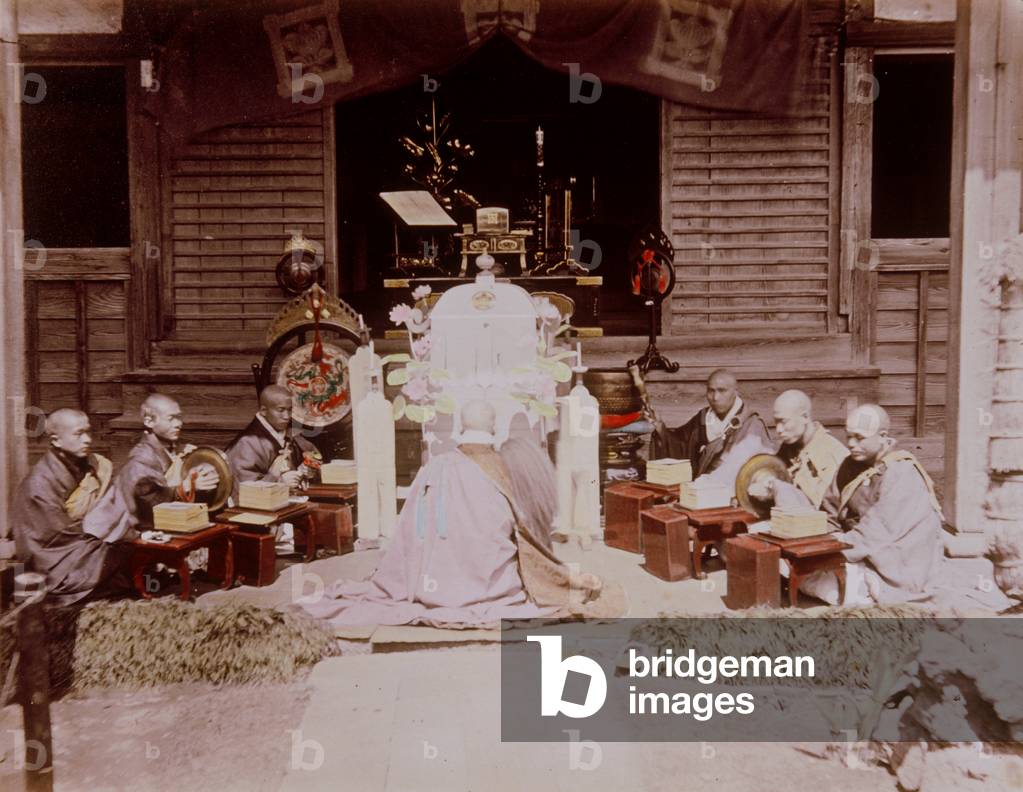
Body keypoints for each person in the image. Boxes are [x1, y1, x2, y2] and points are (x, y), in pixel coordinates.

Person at [295, 400, 624, 628]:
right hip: (492, 585)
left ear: (459, 427)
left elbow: (410, 531)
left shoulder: (433, 467)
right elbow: (523, 532)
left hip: (429, 583)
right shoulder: (502, 467)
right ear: (493, 428)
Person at [10, 409, 130, 605]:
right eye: (78, 434)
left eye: (88, 432)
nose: (87, 440)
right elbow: (54, 537)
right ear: (56, 440)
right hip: (52, 558)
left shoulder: (93, 466)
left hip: (83, 540)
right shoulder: (39, 484)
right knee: (120, 555)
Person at [83, 394, 219, 540]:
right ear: (149, 421)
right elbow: (148, 503)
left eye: (179, 417)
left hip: (165, 523)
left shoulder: (179, 450)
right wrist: (185, 487)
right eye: (171, 418)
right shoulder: (140, 460)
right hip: (124, 530)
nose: (179, 423)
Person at [650, 369, 772, 483]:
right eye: (711, 391)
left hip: (733, 492)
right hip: (700, 489)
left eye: (722, 390)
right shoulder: (703, 418)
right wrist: (660, 428)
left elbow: (760, 467)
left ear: (735, 392)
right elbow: (680, 444)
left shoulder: (751, 423)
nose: (715, 397)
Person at [750, 389, 848, 510]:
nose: (779, 429)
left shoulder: (832, 454)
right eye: (776, 422)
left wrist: (776, 486)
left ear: (805, 417)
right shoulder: (790, 446)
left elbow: (821, 508)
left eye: (784, 421)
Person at [225, 385, 321, 497]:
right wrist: (279, 482)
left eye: (290, 410)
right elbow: (243, 492)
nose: (287, 416)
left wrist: (306, 473)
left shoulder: (291, 435)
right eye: (281, 410)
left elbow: (313, 459)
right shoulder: (246, 444)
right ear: (263, 411)